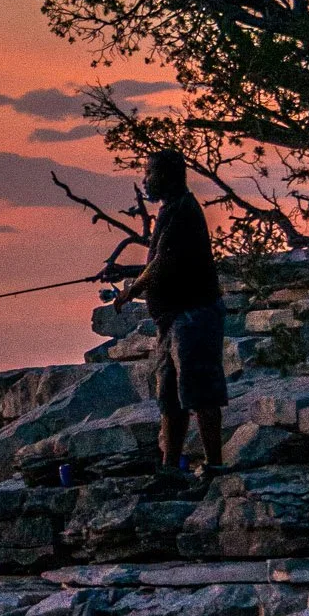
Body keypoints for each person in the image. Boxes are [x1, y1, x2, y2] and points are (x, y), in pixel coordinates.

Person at [126, 148, 227, 480]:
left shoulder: (184, 209)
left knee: (200, 391)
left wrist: (132, 290)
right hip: (170, 319)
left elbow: (162, 262)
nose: (145, 180)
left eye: (149, 173)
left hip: (194, 315)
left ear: (168, 175)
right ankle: (170, 468)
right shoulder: (171, 210)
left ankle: (214, 464)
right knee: (169, 397)